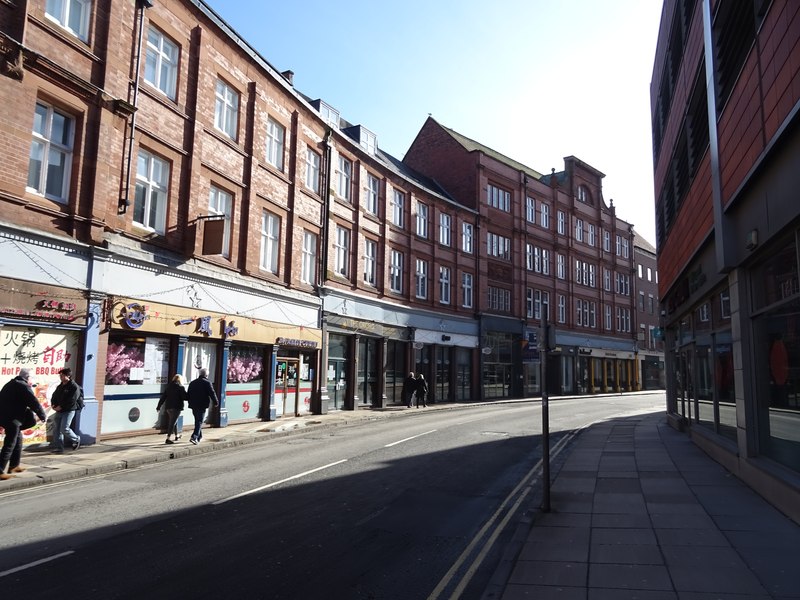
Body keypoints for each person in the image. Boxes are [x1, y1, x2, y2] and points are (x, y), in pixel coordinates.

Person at [0, 369, 47, 480]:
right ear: (28, 378)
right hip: (13, 419)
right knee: (10, 443)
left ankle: (14, 466)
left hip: (7, 418)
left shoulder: (10, 384)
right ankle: (0, 470)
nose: (32, 381)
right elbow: (34, 402)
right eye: (31, 379)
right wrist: (42, 416)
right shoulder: (23, 386)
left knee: (18, 439)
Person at [50, 367, 83, 453]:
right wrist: (54, 405)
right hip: (59, 410)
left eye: (62, 375)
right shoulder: (60, 386)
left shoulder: (74, 387)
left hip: (69, 410)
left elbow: (72, 400)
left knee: (64, 428)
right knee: (56, 429)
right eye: (60, 375)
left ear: (68, 376)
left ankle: (76, 439)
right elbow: (54, 396)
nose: (60, 377)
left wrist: (61, 406)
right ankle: (59, 448)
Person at [187, 368, 218, 445]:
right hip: (202, 404)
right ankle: (194, 437)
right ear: (206, 375)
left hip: (193, 404)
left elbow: (188, 394)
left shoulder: (192, 383)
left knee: (197, 420)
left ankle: (199, 437)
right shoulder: (207, 383)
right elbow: (212, 393)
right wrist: (216, 402)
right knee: (199, 421)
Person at [156, 374, 187, 444]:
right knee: (172, 422)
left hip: (168, 408)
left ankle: (177, 435)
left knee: (174, 421)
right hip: (176, 408)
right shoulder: (181, 387)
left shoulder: (169, 387)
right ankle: (168, 438)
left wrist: (158, 406)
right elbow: (185, 397)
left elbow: (163, 397)